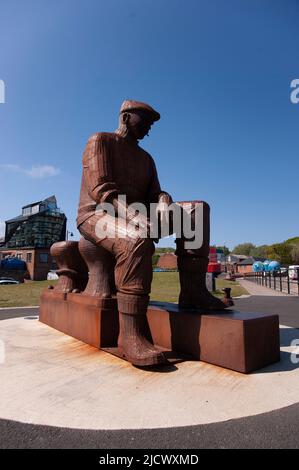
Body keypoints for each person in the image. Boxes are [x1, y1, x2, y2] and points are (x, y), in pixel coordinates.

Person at [77, 100, 228, 367]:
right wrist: (135, 217)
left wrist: (162, 199)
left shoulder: (146, 158)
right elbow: (102, 190)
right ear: (125, 118)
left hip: (137, 213)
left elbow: (155, 191)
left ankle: (193, 293)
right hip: (98, 215)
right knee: (135, 239)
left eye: (151, 124)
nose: (148, 129)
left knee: (196, 212)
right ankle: (131, 334)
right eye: (144, 122)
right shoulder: (100, 141)